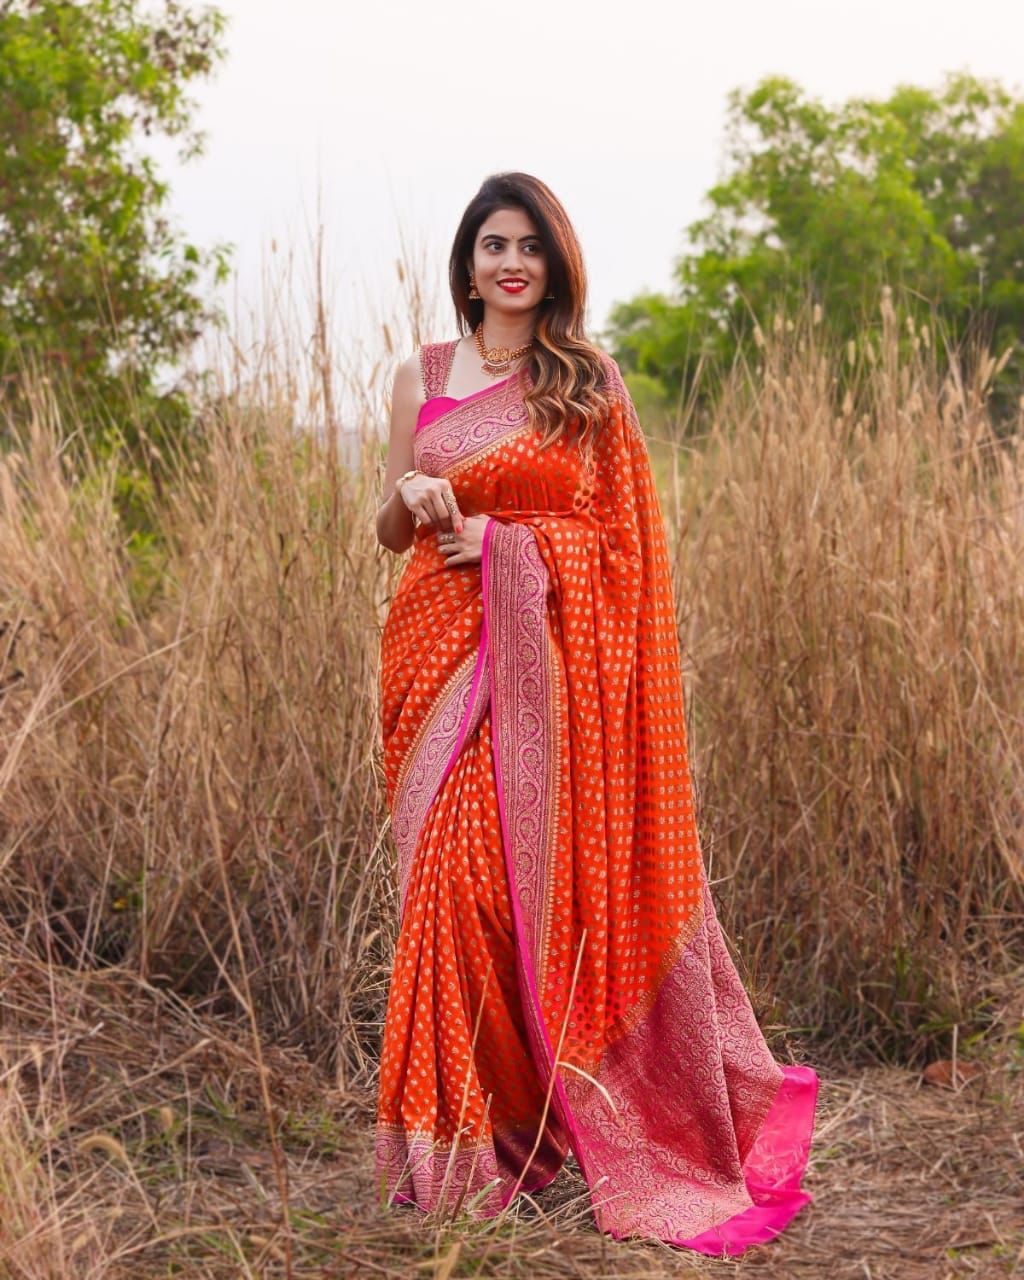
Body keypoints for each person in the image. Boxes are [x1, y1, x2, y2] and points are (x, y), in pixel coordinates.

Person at [374, 171, 818, 1256]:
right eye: (491, 244)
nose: (510, 262)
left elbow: (626, 552)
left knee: (489, 886)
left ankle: (540, 1132)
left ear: (554, 260)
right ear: (467, 262)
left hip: (551, 676)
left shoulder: (585, 381)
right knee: (442, 892)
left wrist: (504, 546)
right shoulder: (421, 375)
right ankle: (467, 1149)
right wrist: (421, 500)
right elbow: (386, 527)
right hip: (432, 656)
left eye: (528, 244)